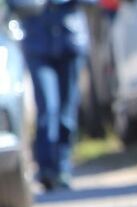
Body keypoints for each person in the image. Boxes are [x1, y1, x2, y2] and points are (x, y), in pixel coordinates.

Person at [16, 0, 94, 191]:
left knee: (67, 112)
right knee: (47, 108)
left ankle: (63, 167)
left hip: (70, 41)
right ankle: (46, 169)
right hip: (38, 43)